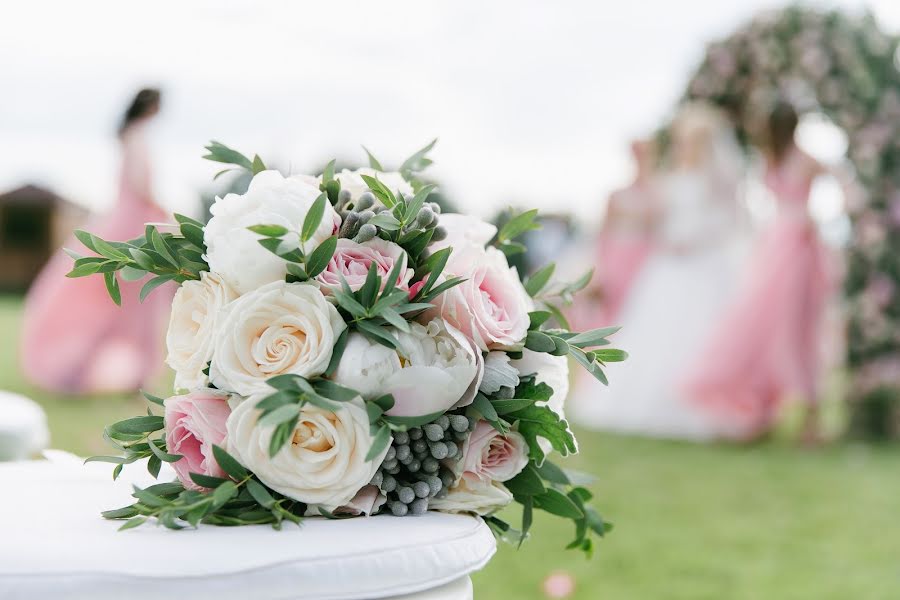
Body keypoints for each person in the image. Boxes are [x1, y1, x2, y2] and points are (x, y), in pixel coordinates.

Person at [570, 104, 746, 439]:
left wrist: (696, 238)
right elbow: (657, 221)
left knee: (701, 334)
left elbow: (732, 221)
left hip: (703, 265)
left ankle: (705, 408)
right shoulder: (670, 178)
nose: (685, 147)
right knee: (655, 335)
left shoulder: (718, 178)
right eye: (683, 140)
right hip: (668, 266)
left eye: (692, 141)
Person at [683, 101, 833, 442]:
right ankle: (764, 414)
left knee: (795, 329)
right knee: (768, 326)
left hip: (793, 244)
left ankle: (806, 423)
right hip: (778, 245)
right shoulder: (776, 158)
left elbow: (828, 183)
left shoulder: (797, 159)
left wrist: (809, 221)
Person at [20, 88, 173, 395]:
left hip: (123, 221)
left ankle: (118, 372)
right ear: (151, 106)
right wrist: (166, 212)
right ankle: (134, 373)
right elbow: (142, 186)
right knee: (135, 303)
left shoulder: (128, 136)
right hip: (135, 227)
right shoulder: (138, 137)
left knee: (115, 304)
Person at [574, 139, 659, 330]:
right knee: (615, 305)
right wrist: (598, 267)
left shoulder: (657, 193)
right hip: (618, 258)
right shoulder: (616, 195)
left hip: (647, 259)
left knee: (641, 305)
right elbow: (603, 234)